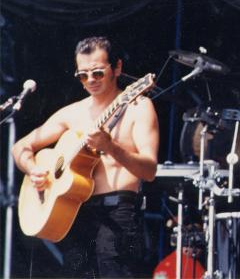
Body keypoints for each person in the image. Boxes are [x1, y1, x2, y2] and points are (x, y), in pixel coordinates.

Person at [13, 36, 159, 278]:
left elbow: (149, 170)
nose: (90, 80)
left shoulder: (138, 107)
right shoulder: (73, 112)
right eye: (83, 75)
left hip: (118, 214)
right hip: (75, 213)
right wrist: (32, 169)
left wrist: (111, 147)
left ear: (118, 68)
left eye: (98, 73)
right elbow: (21, 146)